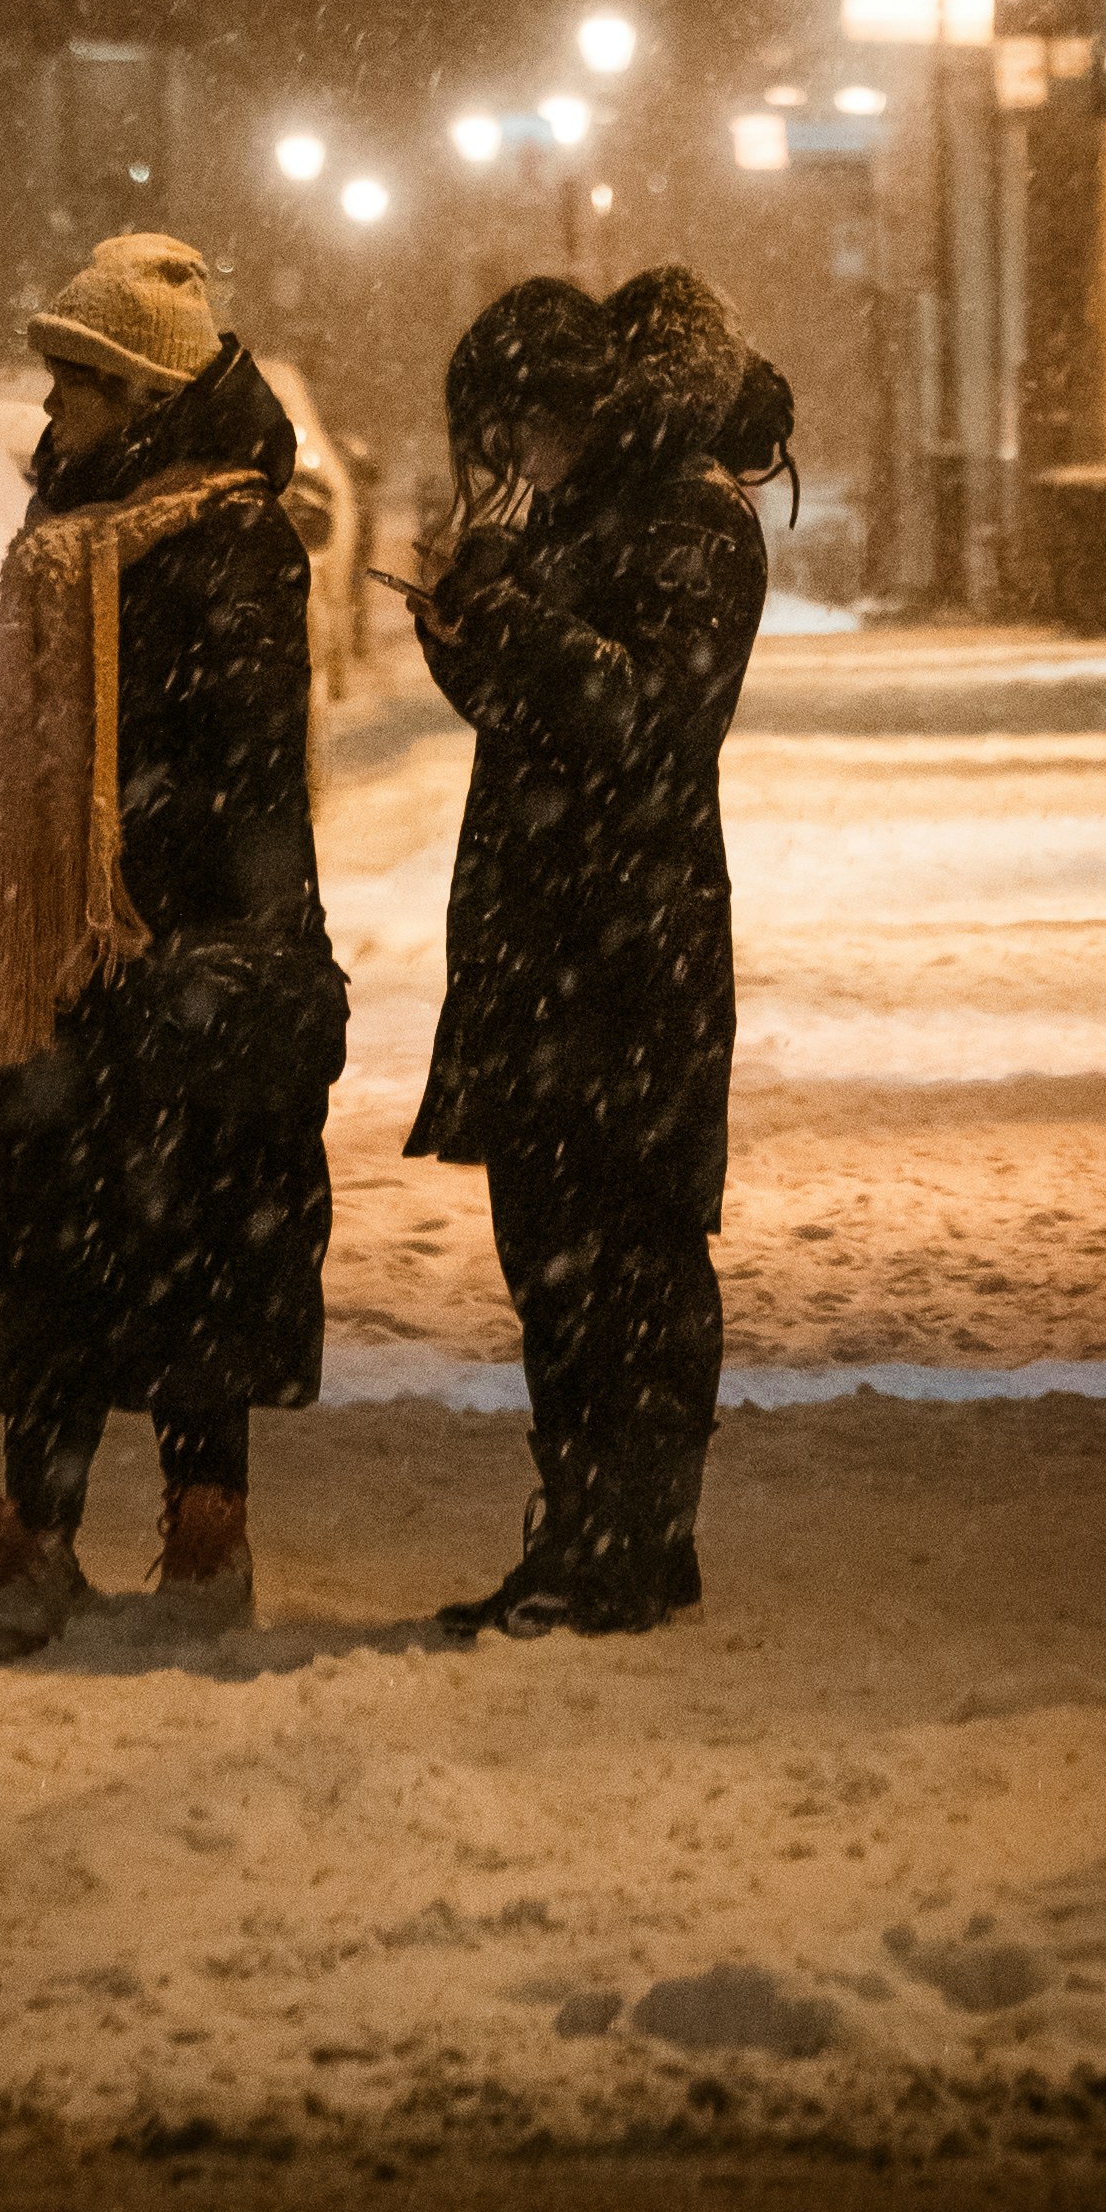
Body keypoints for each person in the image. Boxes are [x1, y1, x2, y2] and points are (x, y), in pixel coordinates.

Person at [0, 229, 341, 1656]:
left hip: (179, 958)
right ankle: (37, 1539)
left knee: (195, 1254)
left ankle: (203, 1542)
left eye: (79, 388)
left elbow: (248, 776)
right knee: (54, 1253)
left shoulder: (229, 543)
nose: (54, 416)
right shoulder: (72, 543)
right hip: (68, 962)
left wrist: (218, 946)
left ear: (146, 395)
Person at [409, 261, 788, 1640]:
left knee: (633, 1257)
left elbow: (639, 717)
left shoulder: (697, 519)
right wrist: (467, 620)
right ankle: (576, 1532)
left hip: (631, 957)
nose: (507, 466)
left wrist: (507, 612)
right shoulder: (591, 514)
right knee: (552, 1263)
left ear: (570, 407)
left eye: (514, 434)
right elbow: (532, 708)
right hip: (544, 943)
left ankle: (636, 1542)